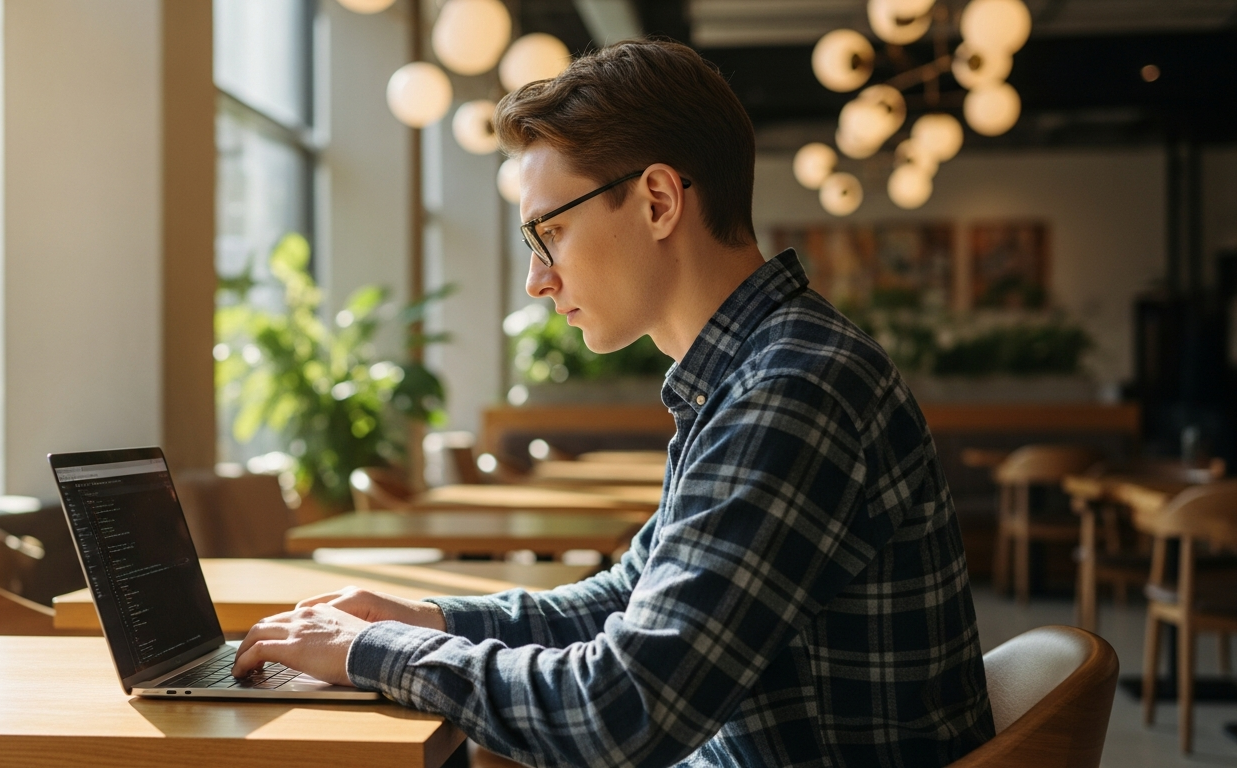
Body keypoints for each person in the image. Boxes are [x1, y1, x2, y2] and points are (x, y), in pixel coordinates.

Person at [232, 39, 994, 767]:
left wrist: (374, 654)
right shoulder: (757, 370)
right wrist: (427, 620)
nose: (537, 279)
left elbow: (623, 711)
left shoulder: (791, 390)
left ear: (658, 200)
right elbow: (629, 598)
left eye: (550, 232)